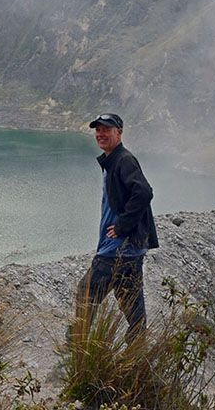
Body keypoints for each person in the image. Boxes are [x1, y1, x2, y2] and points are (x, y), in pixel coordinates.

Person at [75, 113, 158, 340]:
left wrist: (122, 226)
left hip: (116, 249)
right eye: (98, 130)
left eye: (107, 130)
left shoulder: (123, 160)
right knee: (131, 303)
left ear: (119, 132)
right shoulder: (113, 161)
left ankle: (75, 346)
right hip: (131, 250)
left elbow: (143, 192)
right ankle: (137, 348)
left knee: (86, 293)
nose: (101, 134)